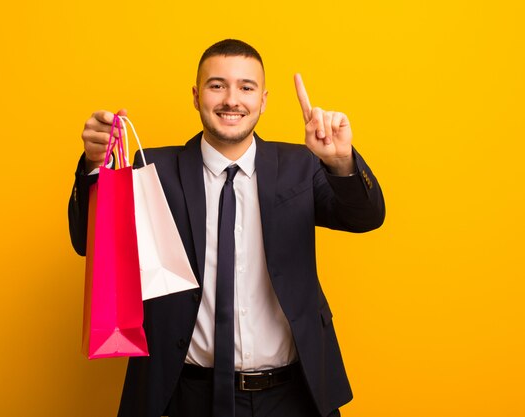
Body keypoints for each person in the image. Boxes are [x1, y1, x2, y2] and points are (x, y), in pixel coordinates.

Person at [68, 39, 385, 417]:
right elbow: (89, 241)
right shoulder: (154, 169)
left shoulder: (302, 165)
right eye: (217, 85)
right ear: (196, 95)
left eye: (246, 88)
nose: (231, 99)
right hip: (185, 394)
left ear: (263, 100)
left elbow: (365, 217)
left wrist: (340, 161)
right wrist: (93, 163)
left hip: (293, 395)